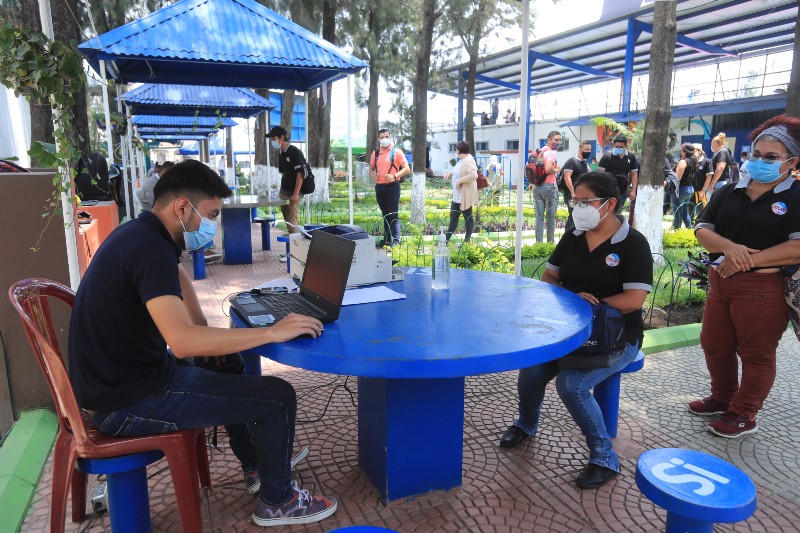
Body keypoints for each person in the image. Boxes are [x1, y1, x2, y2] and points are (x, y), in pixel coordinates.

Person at [68, 160, 338, 526]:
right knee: (278, 397)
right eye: (209, 214)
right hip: (125, 403)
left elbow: (177, 276)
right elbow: (180, 342)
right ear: (182, 207)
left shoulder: (141, 234)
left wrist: (204, 329)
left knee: (225, 362)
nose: (211, 225)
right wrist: (272, 332)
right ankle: (278, 501)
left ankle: (257, 465)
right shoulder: (149, 248)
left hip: (119, 383)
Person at [499, 171, 653, 489]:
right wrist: (573, 300)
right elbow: (550, 277)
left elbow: (634, 299)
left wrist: (591, 307)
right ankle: (526, 424)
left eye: (585, 201)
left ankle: (604, 458)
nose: (577, 208)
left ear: (609, 204)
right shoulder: (574, 234)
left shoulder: (633, 244)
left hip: (617, 336)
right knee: (531, 370)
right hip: (568, 330)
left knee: (572, 385)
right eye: (575, 201)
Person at [689, 114, 800, 438]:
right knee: (714, 344)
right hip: (721, 282)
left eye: (771, 157)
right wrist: (730, 248)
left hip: (762, 288)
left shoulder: (794, 195)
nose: (760, 162)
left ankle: (744, 413)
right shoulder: (729, 190)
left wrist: (745, 262)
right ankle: (722, 396)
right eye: (756, 155)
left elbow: (796, 247)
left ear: (791, 162)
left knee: (756, 353)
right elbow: (702, 229)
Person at [369, 128, 410, 247]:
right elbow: (371, 169)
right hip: (380, 187)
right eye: (381, 137)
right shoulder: (375, 153)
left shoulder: (396, 151)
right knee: (385, 214)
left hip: (393, 186)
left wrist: (394, 176)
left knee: (393, 214)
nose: (384, 139)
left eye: (386, 137)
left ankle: (396, 241)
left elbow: (407, 168)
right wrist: (373, 174)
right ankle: (386, 239)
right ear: (378, 139)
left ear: (390, 137)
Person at [268, 126, 305, 235]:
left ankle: (297, 250)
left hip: (292, 194)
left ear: (281, 137)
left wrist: (295, 194)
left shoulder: (294, 152)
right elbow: (285, 173)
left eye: (273, 139)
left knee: (292, 224)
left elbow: (300, 174)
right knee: (289, 223)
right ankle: (293, 250)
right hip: (284, 192)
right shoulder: (282, 153)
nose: (272, 141)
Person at [442, 140, 478, 243]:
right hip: (457, 196)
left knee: (468, 218)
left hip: (464, 196)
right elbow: (459, 172)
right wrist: (450, 173)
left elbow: (473, 175)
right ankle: (446, 240)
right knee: (453, 218)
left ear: (459, 150)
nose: (455, 150)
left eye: (456, 149)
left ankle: (467, 241)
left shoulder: (468, 160)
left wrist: (460, 180)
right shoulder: (462, 160)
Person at [598, 134, 638, 225]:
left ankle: (614, 229)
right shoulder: (607, 156)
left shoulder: (631, 157)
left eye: (621, 147)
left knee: (617, 211)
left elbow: (634, 174)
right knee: (606, 211)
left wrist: (633, 191)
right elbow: (600, 175)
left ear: (626, 146)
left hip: (622, 190)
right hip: (607, 190)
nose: (618, 148)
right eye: (616, 147)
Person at [533, 131, 562, 243]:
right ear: (549, 140)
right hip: (549, 187)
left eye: (560, 140)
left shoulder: (539, 152)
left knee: (539, 218)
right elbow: (548, 169)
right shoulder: (551, 153)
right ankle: (550, 243)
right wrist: (557, 170)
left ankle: (538, 244)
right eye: (556, 140)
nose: (558, 142)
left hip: (537, 187)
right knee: (550, 218)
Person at [560, 141, 592, 232]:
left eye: (590, 149)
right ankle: (570, 237)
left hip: (581, 196)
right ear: (580, 150)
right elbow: (567, 177)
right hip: (571, 195)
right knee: (574, 216)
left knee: (575, 217)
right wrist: (573, 193)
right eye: (586, 149)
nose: (588, 151)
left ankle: (569, 237)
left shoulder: (585, 163)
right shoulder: (572, 161)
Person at [671, 143, 697, 229]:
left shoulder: (683, 162)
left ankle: (676, 231)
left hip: (681, 189)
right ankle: (689, 230)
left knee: (677, 213)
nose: (680, 151)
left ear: (685, 151)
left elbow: (677, 178)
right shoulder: (693, 161)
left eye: (681, 150)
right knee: (685, 213)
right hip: (689, 188)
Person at [703, 132, 733, 199]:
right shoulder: (719, 153)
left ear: (715, 143)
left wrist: (713, 183)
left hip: (719, 183)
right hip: (718, 183)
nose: (711, 145)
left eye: (712, 143)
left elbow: (720, 168)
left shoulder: (723, 152)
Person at [692, 143, 713, 208]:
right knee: (691, 210)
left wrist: (703, 191)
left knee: (701, 210)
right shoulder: (692, 162)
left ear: (700, 151)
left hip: (701, 191)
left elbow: (709, 177)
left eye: (694, 150)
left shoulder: (707, 161)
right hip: (692, 191)